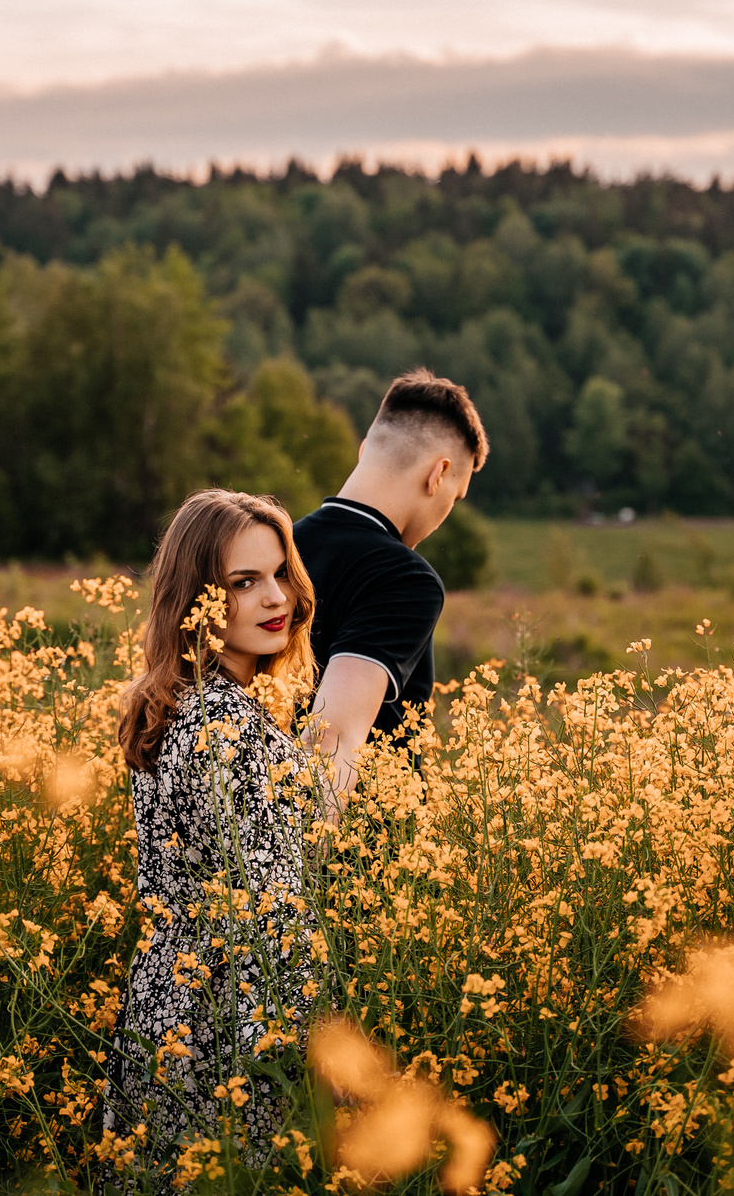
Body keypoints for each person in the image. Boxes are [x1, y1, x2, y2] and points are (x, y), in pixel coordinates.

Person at [105, 489, 327, 1177]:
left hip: (167, 1005)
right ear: (198, 599)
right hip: (226, 1027)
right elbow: (265, 910)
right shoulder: (223, 726)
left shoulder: (182, 701)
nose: (275, 596)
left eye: (280, 571)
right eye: (243, 582)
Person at [295, 368, 488, 791]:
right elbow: (331, 736)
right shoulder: (404, 577)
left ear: (365, 449)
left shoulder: (277, 548)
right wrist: (298, 857)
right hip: (350, 849)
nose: (445, 513)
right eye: (454, 497)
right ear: (438, 474)